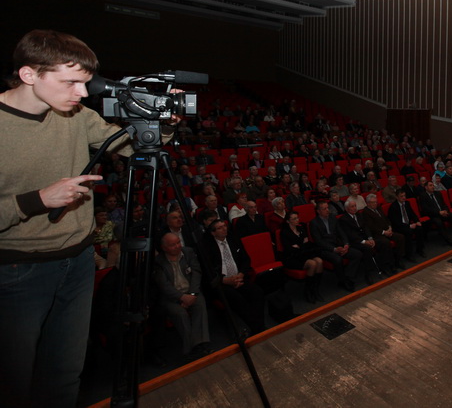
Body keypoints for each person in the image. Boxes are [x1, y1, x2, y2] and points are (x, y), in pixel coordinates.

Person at [0, 30, 176, 407]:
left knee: (65, 374)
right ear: (29, 74)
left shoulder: (76, 115)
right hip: (17, 270)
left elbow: (134, 146)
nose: (82, 93)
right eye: (71, 83)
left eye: (85, 83)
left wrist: (163, 119)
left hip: (78, 261)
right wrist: (38, 200)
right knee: (13, 381)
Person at [202, 219, 265, 334]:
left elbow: (246, 259)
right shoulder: (207, 247)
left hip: (238, 277)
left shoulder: (233, 239)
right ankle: (258, 328)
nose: (224, 229)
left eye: (224, 226)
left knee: (257, 292)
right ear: (213, 233)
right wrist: (225, 280)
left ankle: (258, 326)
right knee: (238, 299)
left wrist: (241, 274)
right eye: (220, 228)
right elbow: (208, 271)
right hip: (222, 283)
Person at [152, 233, 210, 358]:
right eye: (173, 245)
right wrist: (182, 298)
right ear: (164, 248)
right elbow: (164, 285)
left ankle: (201, 343)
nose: (177, 246)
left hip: (191, 292)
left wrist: (192, 294)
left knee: (200, 304)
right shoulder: (159, 262)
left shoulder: (188, 252)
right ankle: (191, 349)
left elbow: (196, 273)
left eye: (178, 242)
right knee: (180, 314)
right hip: (172, 298)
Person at [308, 201, 362, 291]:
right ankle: (343, 281)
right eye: (324, 209)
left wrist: (346, 244)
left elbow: (341, 232)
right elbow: (319, 241)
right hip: (325, 249)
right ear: (318, 211)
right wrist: (334, 249)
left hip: (338, 245)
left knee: (357, 254)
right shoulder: (314, 223)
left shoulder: (333, 218)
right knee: (338, 259)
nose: (327, 210)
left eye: (327, 208)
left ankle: (347, 277)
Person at [279, 212, 324, 302]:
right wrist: (302, 244)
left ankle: (315, 289)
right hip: (292, 258)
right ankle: (308, 291)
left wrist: (299, 246)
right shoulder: (284, 233)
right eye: (294, 219)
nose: (297, 220)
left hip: (304, 254)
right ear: (288, 221)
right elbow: (289, 249)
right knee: (312, 264)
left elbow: (307, 244)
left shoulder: (301, 228)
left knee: (319, 261)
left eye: (297, 218)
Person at [418, 180, 452, 246]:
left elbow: (444, 204)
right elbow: (426, 209)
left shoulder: (437, 193)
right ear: (426, 187)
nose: (433, 187)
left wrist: (445, 210)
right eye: (430, 185)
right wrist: (438, 212)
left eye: (433, 185)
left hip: (442, 212)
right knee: (439, 222)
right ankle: (449, 240)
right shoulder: (423, 196)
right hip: (433, 215)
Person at [387, 190, 426, 259]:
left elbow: (412, 214)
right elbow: (396, 222)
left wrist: (417, 221)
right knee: (408, 231)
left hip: (408, 224)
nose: (404, 198)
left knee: (419, 228)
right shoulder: (393, 207)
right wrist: (409, 226)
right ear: (397, 197)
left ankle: (420, 250)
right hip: (399, 227)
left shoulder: (407, 203)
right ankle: (409, 254)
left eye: (404, 196)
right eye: (401, 196)